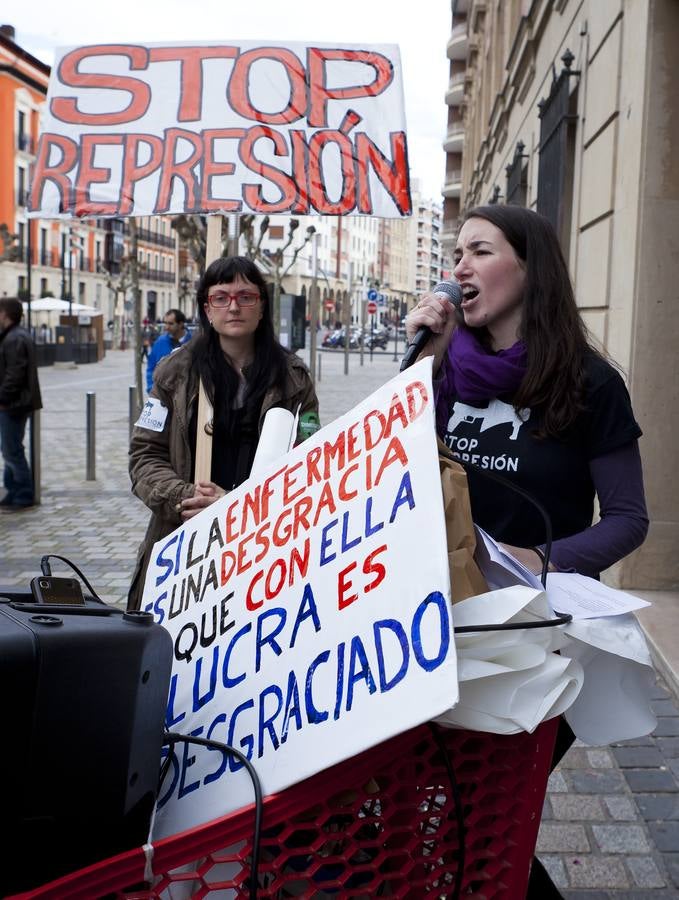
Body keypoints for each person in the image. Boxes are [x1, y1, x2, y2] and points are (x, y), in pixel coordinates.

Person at [406, 204, 648, 898]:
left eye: (478, 251)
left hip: (535, 638)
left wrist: (536, 558)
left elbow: (628, 520)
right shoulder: (443, 370)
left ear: (528, 267)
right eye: (455, 254)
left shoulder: (589, 382)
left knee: (483, 821)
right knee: (449, 821)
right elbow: (387, 474)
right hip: (444, 626)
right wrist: (425, 355)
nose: (458, 269)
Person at [127, 257, 320, 611]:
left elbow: (309, 464)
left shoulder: (294, 378)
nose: (233, 306)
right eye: (221, 297)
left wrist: (235, 506)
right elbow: (144, 456)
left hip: (263, 549)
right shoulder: (174, 373)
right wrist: (187, 498)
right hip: (185, 546)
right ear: (206, 308)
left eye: (246, 296)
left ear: (262, 306)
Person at [0, 298, 42, 511]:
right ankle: (13, 489)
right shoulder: (15, 336)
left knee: (11, 449)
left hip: (14, 404)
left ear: (5, 314)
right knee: (9, 448)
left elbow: (14, 374)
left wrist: (3, 399)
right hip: (17, 403)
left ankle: (23, 492)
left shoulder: (14, 338)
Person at [145, 308, 191, 393]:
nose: (166, 327)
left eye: (170, 324)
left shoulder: (193, 343)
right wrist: (151, 389)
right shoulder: (160, 342)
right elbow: (151, 368)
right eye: (165, 323)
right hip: (162, 397)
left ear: (180, 324)